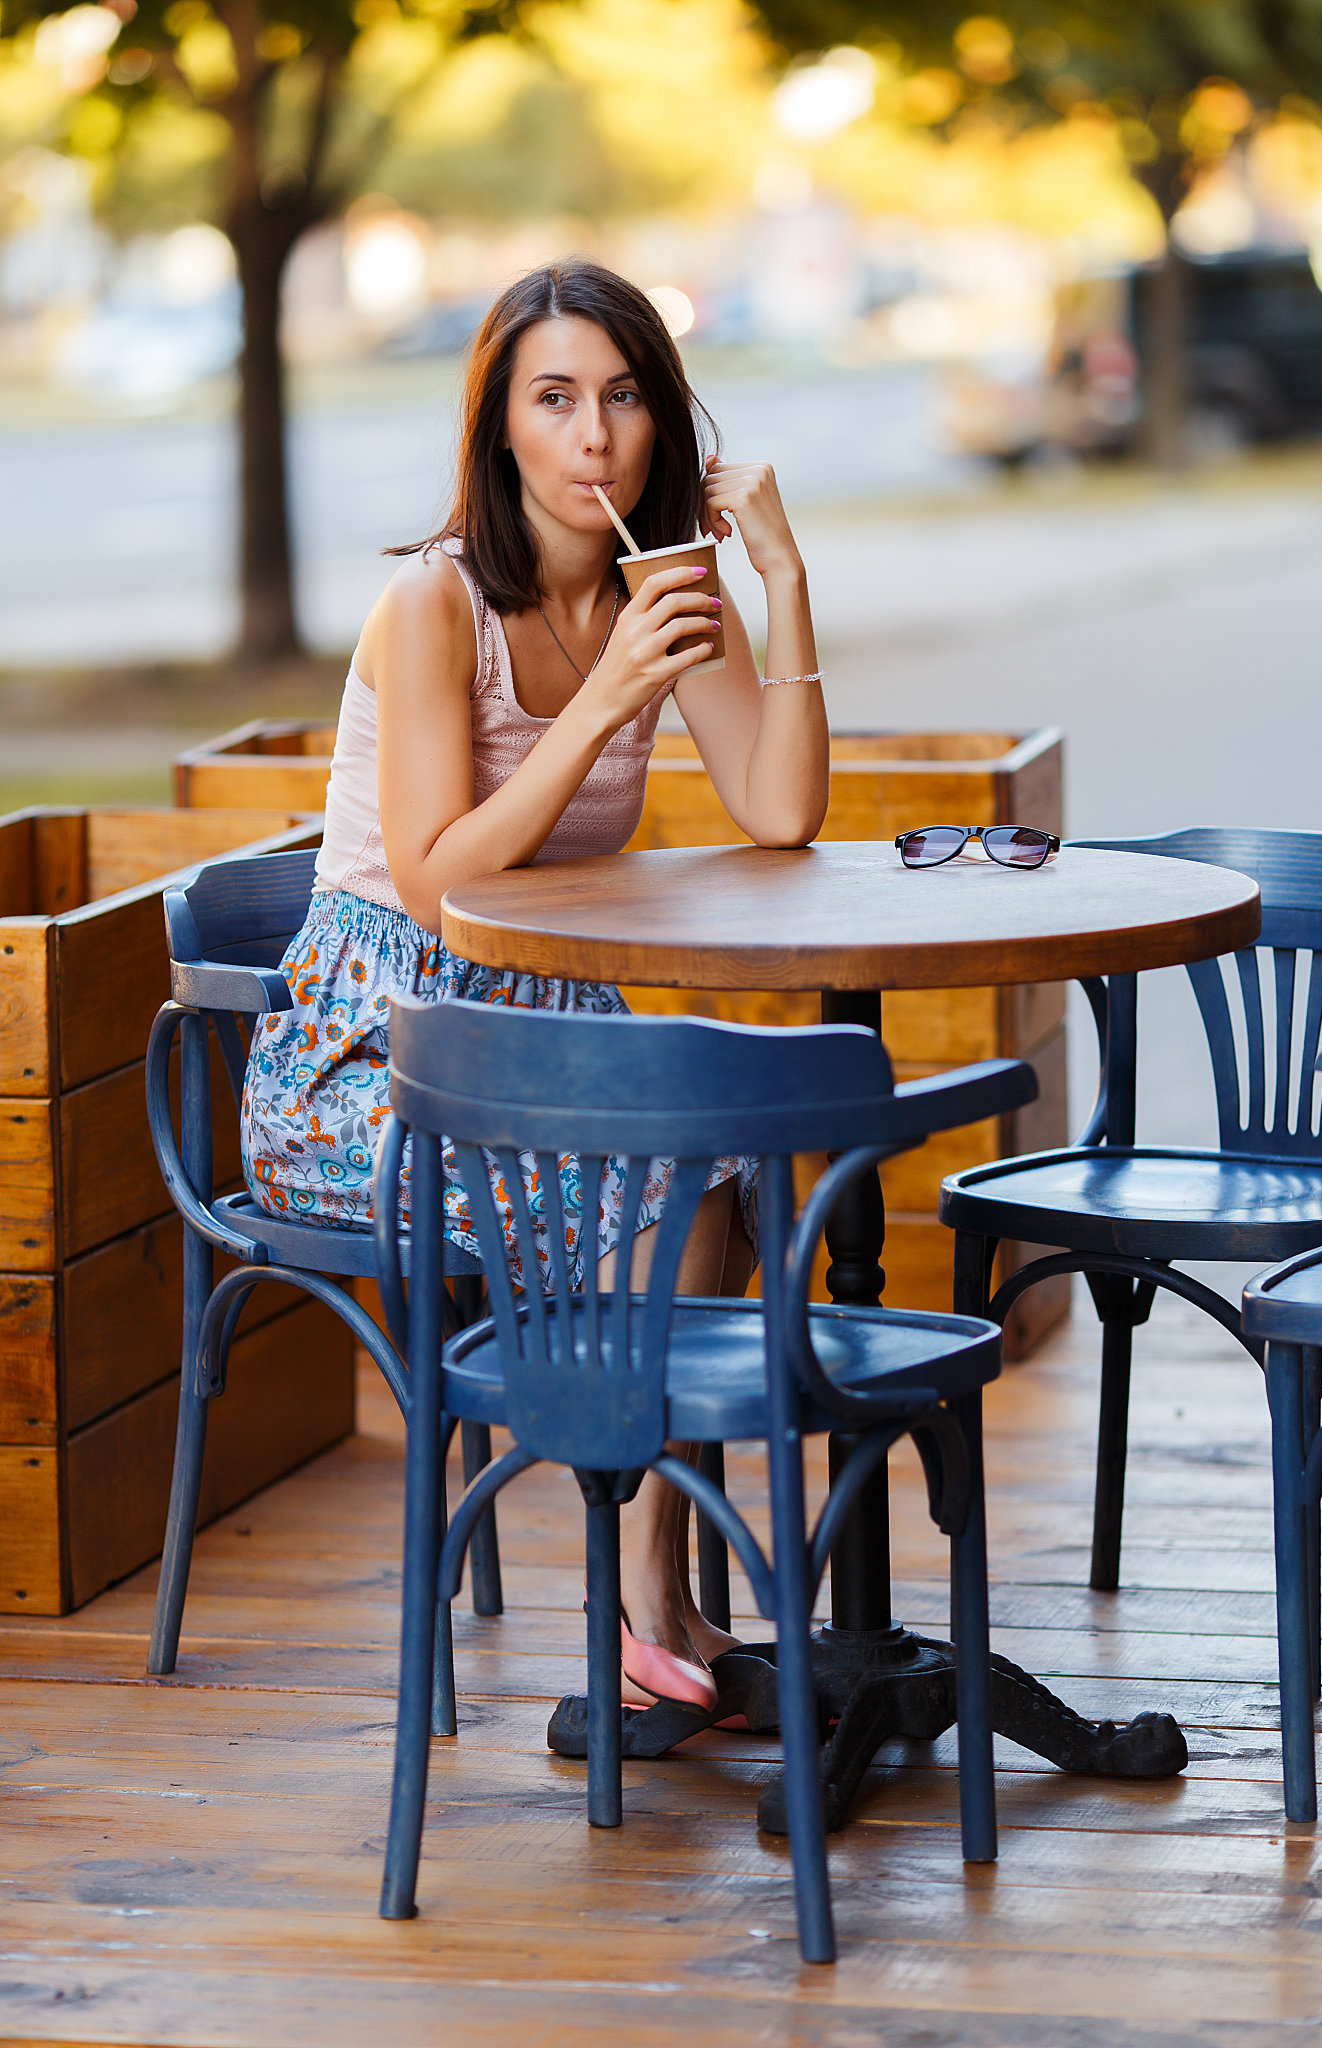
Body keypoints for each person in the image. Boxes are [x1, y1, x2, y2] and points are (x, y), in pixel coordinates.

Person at [241, 259, 829, 1716]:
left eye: (624, 399)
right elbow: (445, 888)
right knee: (662, 1185)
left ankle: (654, 1599)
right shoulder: (434, 606)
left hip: (547, 1030)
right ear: (499, 429)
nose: (593, 438)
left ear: (665, 422)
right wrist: (612, 701)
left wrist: (783, 582)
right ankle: (646, 1602)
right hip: (376, 1050)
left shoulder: (661, 585)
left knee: (727, 1172)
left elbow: (777, 806)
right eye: (553, 400)